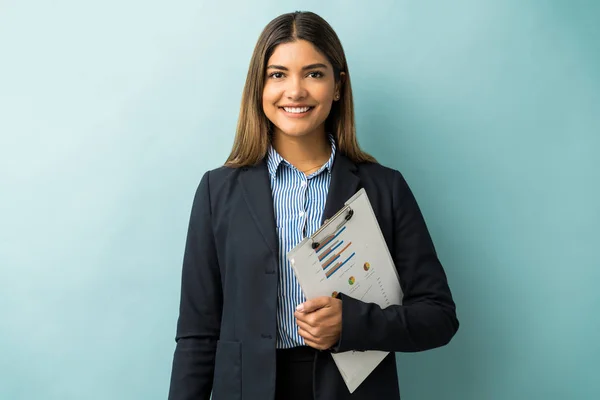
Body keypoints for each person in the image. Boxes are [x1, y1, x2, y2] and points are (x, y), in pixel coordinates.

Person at [168, 11, 459, 400]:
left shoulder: (384, 188)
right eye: (278, 74)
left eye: (314, 73)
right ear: (259, 86)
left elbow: (439, 316)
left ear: (337, 87)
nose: (295, 90)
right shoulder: (216, 192)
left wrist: (352, 324)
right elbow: (197, 336)